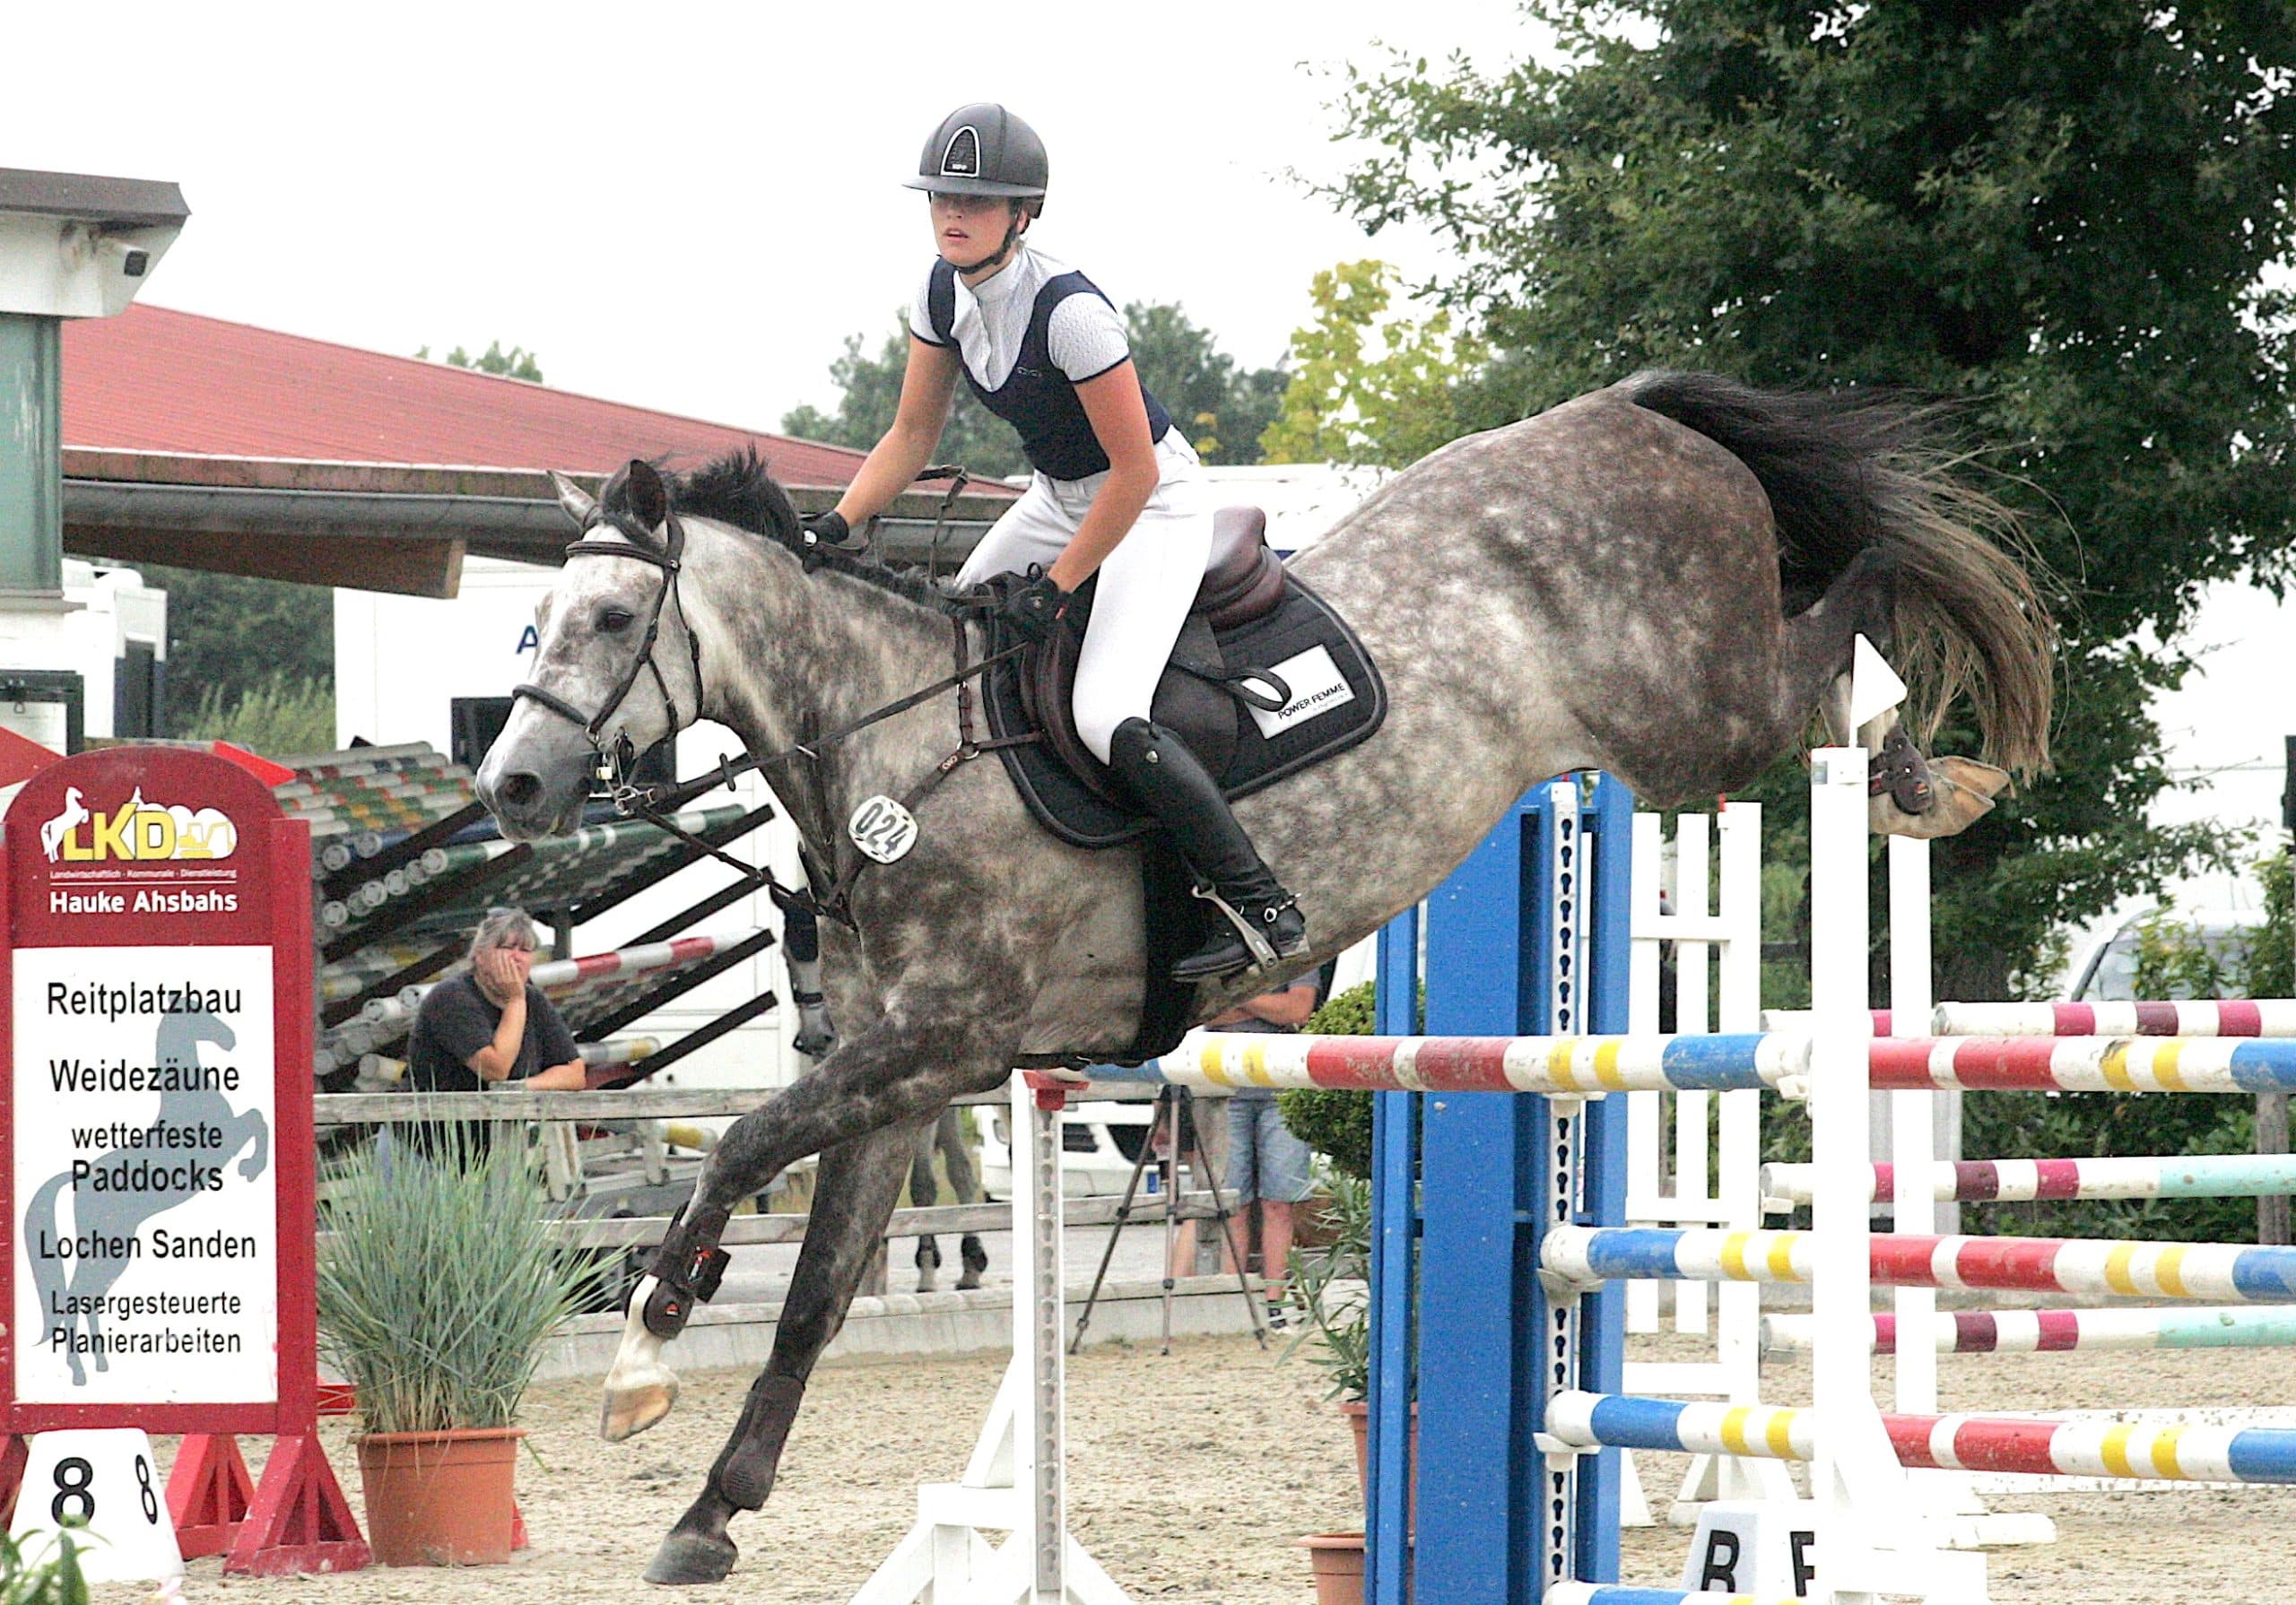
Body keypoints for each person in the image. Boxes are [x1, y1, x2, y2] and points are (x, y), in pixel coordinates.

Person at [813, 101, 1308, 983]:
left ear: (1023, 213)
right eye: (940, 200)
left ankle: (1256, 898)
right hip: (1053, 498)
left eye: (978, 201)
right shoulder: (939, 292)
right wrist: (836, 522)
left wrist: (1061, 582)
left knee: (1103, 710)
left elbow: (1134, 474)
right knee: (948, 651)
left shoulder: (1072, 313)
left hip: (1150, 501)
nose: (953, 216)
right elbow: (909, 436)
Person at [401, 907, 586, 1163]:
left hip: (493, 1155)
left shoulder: (533, 999)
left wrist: (523, 1087)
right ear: (480, 955)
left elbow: (574, 1072)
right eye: (507, 948)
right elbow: (495, 1068)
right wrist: (515, 1002)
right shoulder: (451, 997)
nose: (516, 958)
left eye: (525, 950)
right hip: (425, 1154)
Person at [1212, 974, 1321, 1327]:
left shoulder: (1296, 948)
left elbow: (1299, 1009)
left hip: (1282, 1087)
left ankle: (1274, 1303)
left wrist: (1238, 998)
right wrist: (1268, 1008)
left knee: (1280, 1201)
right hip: (1223, 1086)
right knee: (1233, 1203)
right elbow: (1205, 1014)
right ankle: (1232, 1301)